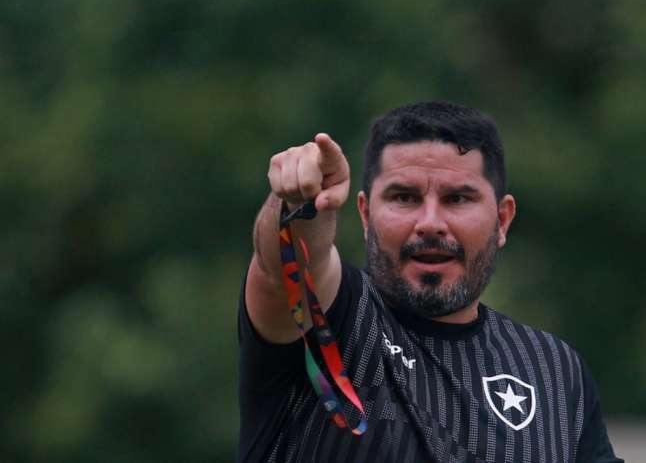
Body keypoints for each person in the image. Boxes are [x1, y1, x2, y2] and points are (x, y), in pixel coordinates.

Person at [237, 101, 623, 462]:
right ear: (366, 215)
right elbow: (285, 269)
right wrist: (302, 204)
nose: (431, 223)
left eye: (458, 199)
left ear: (502, 220)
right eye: (404, 197)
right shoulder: (341, 319)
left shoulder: (554, 371)